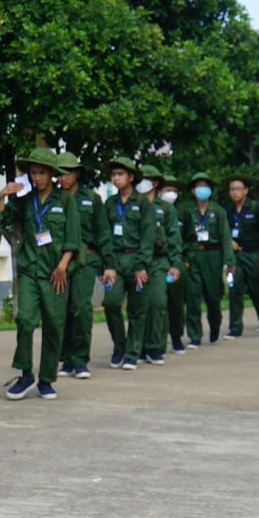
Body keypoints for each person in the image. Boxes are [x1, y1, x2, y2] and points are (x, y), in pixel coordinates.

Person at [0, 147, 80, 400]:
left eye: (42, 172)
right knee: (25, 320)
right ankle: (25, 374)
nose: (37, 177)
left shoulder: (65, 200)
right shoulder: (25, 200)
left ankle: (46, 379)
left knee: (54, 325)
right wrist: (2, 196)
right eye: (33, 172)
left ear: (52, 173)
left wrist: (62, 266)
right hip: (30, 271)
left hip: (55, 273)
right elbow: (4, 219)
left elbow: (73, 237)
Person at [57, 152, 111, 379]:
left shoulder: (92, 198)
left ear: (77, 173)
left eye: (68, 172)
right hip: (60, 260)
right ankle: (66, 359)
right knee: (61, 310)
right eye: (60, 173)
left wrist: (108, 264)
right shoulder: (53, 198)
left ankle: (80, 360)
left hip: (86, 258)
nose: (64, 177)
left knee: (81, 307)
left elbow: (103, 232)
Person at [101, 157, 155, 370]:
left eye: (120, 174)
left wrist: (141, 265)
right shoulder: (109, 204)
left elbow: (148, 236)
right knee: (110, 303)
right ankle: (120, 346)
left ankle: (132, 353)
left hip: (137, 259)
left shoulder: (143, 203)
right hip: (115, 260)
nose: (116, 178)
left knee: (137, 309)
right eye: (113, 174)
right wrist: (107, 264)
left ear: (131, 177)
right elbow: (105, 235)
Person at [182, 172, 234, 346]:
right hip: (194, 255)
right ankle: (195, 335)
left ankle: (215, 325)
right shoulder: (188, 212)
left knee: (213, 296)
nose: (202, 189)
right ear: (192, 191)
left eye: (205, 186)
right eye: (198, 186)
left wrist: (229, 261)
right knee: (193, 297)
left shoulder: (218, 211)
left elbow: (225, 237)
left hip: (213, 255)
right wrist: (184, 257)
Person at [139, 164, 183, 365]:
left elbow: (174, 237)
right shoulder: (133, 205)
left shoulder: (165, 208)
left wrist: (175, 264)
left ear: (155, 183)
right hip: (138, 261)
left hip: (159, 260)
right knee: (139, 304)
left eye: (146, 179)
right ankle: (138, 346)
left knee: (157, 301)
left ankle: (155, 346)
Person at [224, 171, 259, 338]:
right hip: (236, 256)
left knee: (256, 290)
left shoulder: (256, 207)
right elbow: (224, 231)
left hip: (253, 254)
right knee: (235, 290)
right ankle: (235, 327)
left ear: (245, 190)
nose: (235, 192)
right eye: (232, 189)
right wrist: (229, 240)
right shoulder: (228, 209)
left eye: (238, 189)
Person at [159, 175, 190, 354]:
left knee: (176, 303)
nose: (171, 194)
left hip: (177, 261)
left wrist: (185, 260)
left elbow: (190, 238)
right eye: (167, 190)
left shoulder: (183, 212)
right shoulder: (152, 208)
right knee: (158, 302)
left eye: (174, 190)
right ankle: (158, 341)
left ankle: (177, 336)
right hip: (157, 261)